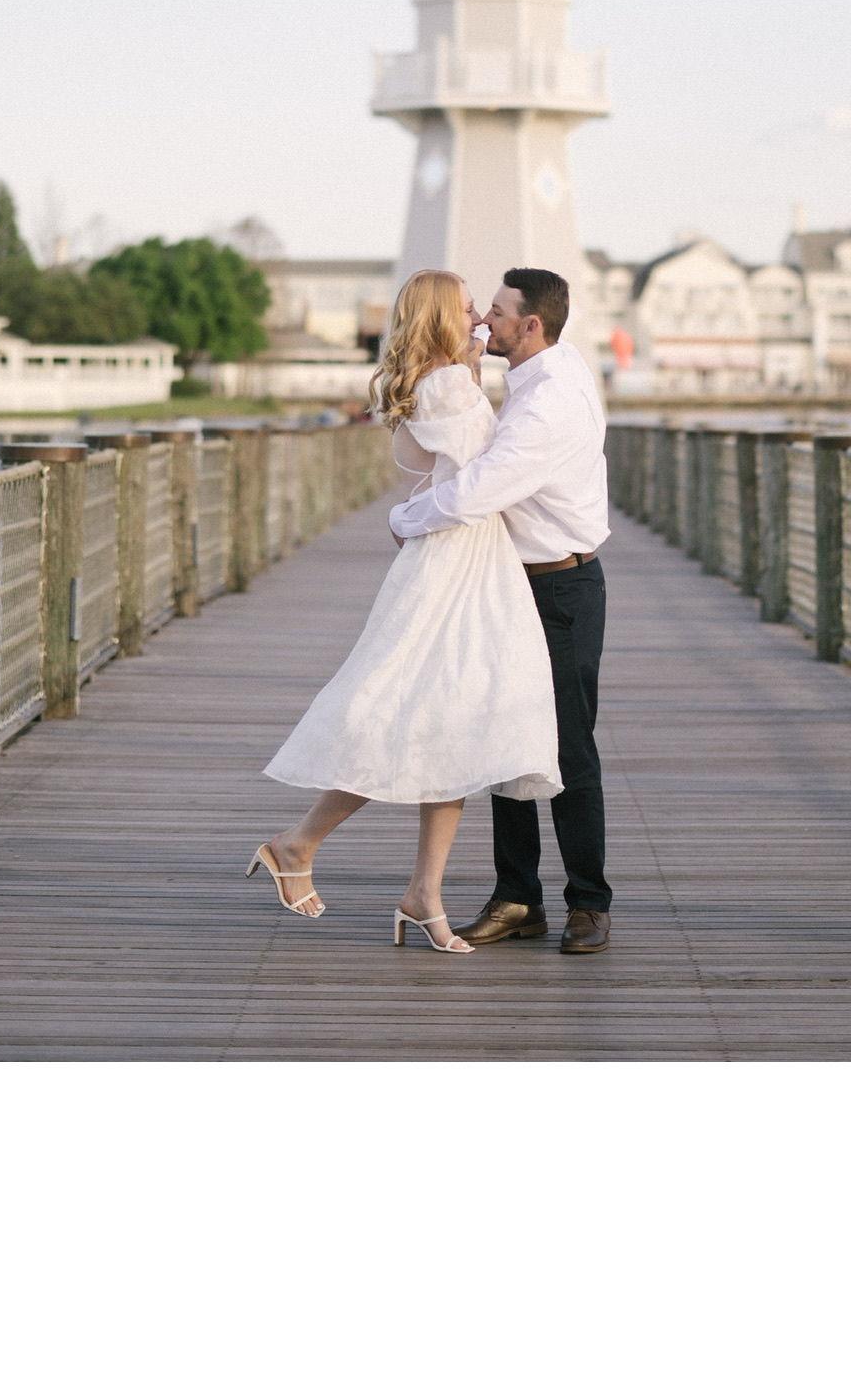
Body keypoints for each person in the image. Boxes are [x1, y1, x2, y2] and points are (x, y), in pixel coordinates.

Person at [251, 269, 561, 954]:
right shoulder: (447, 384)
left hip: (467, 562)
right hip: (456, 565)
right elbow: (483, 474)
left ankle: (424, 894)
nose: (480, 314)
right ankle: (296, 842)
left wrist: (471, 365)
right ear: (442, 317)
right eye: (467, 307)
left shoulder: (442, 377)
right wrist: (475, 374)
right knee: (407, 719)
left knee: (452, 731)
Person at [388, 267, 613, 954]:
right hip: (511, 581)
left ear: (531, 326)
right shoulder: (542, 372)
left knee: (568, 747)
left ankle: (587, 902)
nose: (484, 321)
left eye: (496, 313)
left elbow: (477, 489)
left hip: (559, 587)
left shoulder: (549, 405)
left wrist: (403, 517)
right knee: (501, 736)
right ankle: (517, 896)